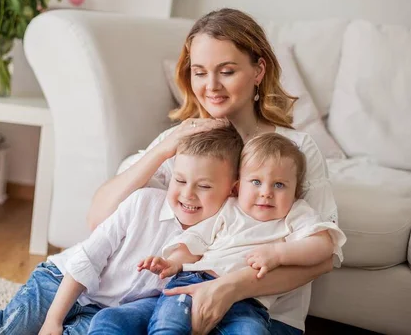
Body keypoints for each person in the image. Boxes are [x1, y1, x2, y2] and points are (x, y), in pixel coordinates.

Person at [89, 8, 341, 334]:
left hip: (263, 316)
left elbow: (323, 257)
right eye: (200, 72)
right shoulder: (184, 142)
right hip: (179, 302)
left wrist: (229, 288)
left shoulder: (295, 149)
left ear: (258, 70)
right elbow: (99, 219)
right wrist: (164, 149)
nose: (211, 86)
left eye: (226, 71)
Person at [0, 126, 243, 335]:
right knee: (4, 330)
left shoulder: (222, 232)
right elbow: (88, 259)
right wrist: (53, 320)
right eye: (181, 180)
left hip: (102, 311)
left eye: (205, 187)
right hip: (61, 281)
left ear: (232, 189)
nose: (188, 194)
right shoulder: (142, 203)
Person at [139, 133, 346, 334]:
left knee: (252, 330)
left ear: (296, 192)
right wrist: (173, 263)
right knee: (169, 325)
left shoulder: (296, 213)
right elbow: (194, 241)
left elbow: (323, 246)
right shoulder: (228, 208)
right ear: (237, 187)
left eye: (279, 184)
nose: (266, 192)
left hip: (249, 300)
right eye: (256, 182)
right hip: (194, 281)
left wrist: (278, 254)